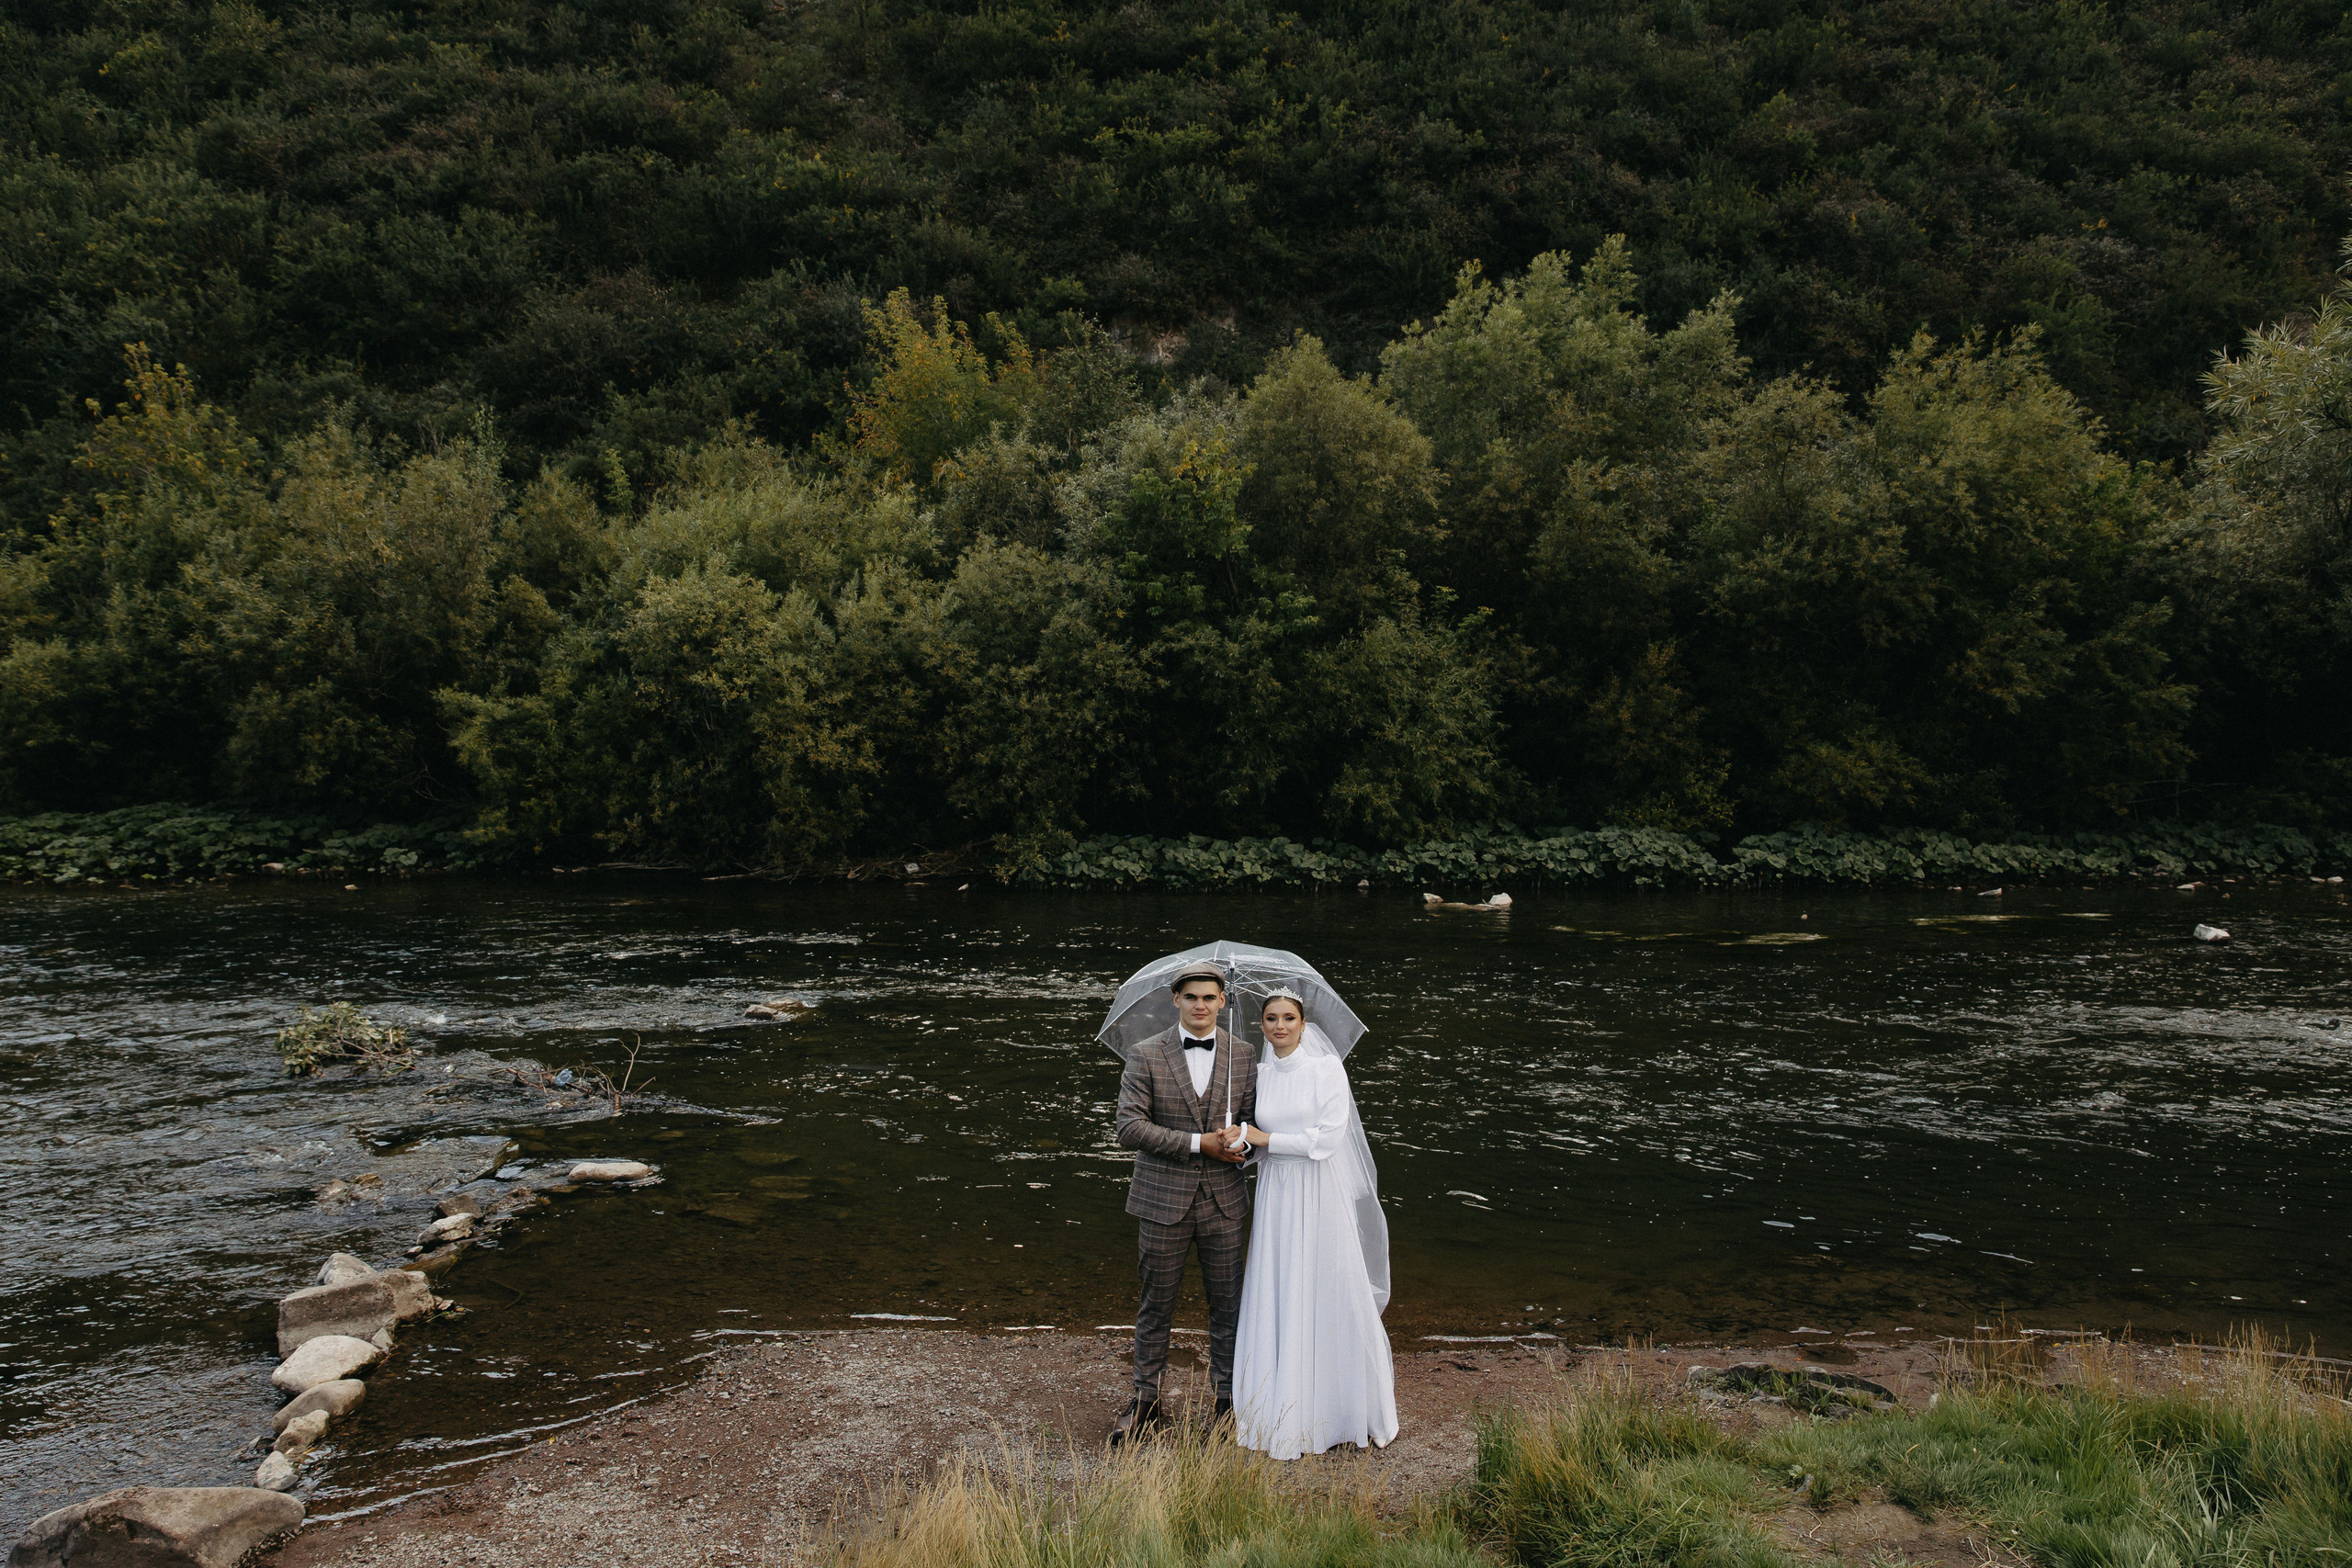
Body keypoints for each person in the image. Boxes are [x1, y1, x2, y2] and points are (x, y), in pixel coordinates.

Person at [1228, 988, 1396, 1459]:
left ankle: (1339, 1409)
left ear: (1303, 1024)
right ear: (1261, 1025)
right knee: (1280, 1287)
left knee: (1326, 1285)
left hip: (1318, 1191)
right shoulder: (1258, 1076)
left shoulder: (1326, 1070)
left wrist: (1265, 1137)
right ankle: (1279, 1407)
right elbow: (1258, 1142)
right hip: (1277, 1193)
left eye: (1288, 1018)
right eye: (1271, 1018)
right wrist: (1243, 1142)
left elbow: (1327, 1138)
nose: (1279, 1026)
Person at [1111, 962, 1258, 1444]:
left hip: (1224, 1202)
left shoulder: (1243, 1053)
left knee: (1229, 1305)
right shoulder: (1145, 1054)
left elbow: (1257, 1124)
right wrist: (1200, 1143)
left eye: (1210, 998)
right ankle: (1145, 1402)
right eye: (1191, 997)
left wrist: (1243, 1145)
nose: (1201, 1005)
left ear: (1222, 1002)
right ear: (1176, 1000)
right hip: (1161, 1201)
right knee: (1156, 1304)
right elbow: (1130, 1128)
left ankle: (1227, 1401)